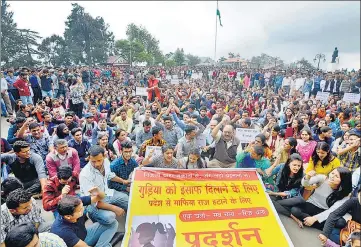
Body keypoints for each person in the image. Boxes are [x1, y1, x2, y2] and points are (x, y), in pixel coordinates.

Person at [50, 193, 118, 247]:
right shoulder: (63, 231)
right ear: (68, 216)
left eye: (82, 206)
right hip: (77, 243)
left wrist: (98, 192)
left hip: (84, 234)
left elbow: (99, 197)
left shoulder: (76, 203)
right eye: (80, 210)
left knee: (113, 223)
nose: (83, 209)